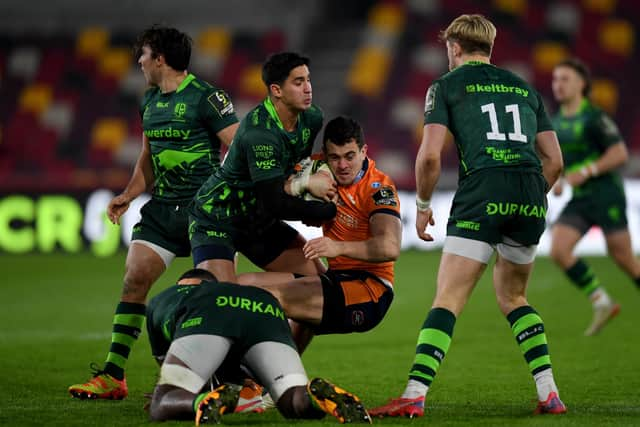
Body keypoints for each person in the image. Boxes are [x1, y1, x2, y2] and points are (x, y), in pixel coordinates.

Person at [369, 14, 566, 418]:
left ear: (454, 48)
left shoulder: (446, 85)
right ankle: (549, 392)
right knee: (514, 297)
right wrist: (526, 199)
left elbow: (428, 157)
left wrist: (422, 207)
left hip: (482, 189)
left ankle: (413, 394)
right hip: (529, 192)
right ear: (488, 49)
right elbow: (555, 161)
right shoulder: (524, 87)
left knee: (449, 298)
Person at [69, 25, 239, 400]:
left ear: (160, 58)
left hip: (204, 212)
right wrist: (129, 194)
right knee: (134, 278)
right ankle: (114, 376)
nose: (140, 62)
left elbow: (238, 147)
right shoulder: (149, 101)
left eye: (143, 55)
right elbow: (148, 156)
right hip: (163, 210)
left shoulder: (207, 98)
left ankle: (223, 383)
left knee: (216, 296)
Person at [237, 116, 401, 352]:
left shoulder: (378, 188)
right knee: (243, 286)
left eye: (350, 156)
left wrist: (338, 247)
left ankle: (245, 373)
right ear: (324, 154)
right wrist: (300, 186)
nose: (342, 165)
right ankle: (273, 380)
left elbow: (390, 247)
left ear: (364, 151)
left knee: (266, 298)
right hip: (334, 278)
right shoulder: (315, 168)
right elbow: (271, 191)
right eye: (334, 157)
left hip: (369, 290)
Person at [145, 268, 371, 424]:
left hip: (208, 314)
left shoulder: (165, 298)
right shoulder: (234, 291)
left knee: (164, 399)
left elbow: (167, 364)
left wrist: (177, 395)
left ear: (182, 285)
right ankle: (312, 396)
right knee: (291, 400)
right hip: (265, 306)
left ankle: (203, 402)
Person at [188, 51, 337, 284]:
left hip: (258, 220)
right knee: (218, 297)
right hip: (218, 218)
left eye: (308, 79)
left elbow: (298, 166)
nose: (308, 88)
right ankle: (231, 289)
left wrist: (311, 183)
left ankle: (272, 311)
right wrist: (323, 212)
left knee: (320, 284)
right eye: (298, 82)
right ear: (276, 90)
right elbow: (275, 202)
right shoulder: (260, 133)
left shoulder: (312, 117)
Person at [549, 58, 640, 336]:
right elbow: (559, 162)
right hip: (581, 199)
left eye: (565, 79)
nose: (558, 85)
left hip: (606, 195)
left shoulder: (594, 117)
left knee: (623, 258)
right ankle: (602, 301)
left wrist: (586, 171)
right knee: (559, 250)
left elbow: (619, 154)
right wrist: (559, 180)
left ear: (582, 84)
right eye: (555, 79)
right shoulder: (555, 122)